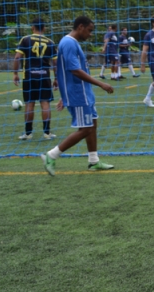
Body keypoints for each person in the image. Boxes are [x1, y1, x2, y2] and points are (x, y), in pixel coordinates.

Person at [41, 15, 115, 175]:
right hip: (78, 94)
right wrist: (101, 84)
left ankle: (94, 161)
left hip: (83, 93)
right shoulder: (68, 43)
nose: (90, 34)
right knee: (86, 129)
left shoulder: (72, 43)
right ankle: (51, 155)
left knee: (92, 124)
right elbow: (74, 70)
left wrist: (63, 95)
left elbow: (65, 71)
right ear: (80, 27)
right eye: (89, 30)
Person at [12, 18, 58, 140]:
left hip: (29, 77)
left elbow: (17, 57)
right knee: (45, 103)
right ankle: (47, 133)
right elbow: (55, 62)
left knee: (29, 104)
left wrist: (15, 73)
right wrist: (56, 78)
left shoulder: (25, 39)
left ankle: (28, 134)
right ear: (44, 28)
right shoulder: (50, 42)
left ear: (32, 27)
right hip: (44, 77)